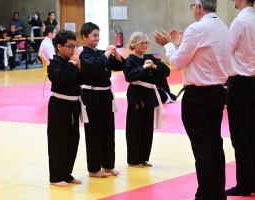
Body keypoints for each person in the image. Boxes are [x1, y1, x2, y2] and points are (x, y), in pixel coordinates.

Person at [153, 0, 232, 199]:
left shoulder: (195, 29)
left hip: (198, 95)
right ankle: (217, 192)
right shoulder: (224, 27)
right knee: (215, 143)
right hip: (218, 92)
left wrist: (169, 46)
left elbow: (178, 62)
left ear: (197, 7)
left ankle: (205, 194)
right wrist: (181, 45)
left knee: (202, 146)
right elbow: (204, 56)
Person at [79, 22, 125, 178]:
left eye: (98, 35)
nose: (97, 38)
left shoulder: (100, 52)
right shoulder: (84, 54)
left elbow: (119, 66)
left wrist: (115, 53)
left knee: (108, 132)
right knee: (94, 134)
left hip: (105, 96)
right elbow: (95, 67)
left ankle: (108, 165)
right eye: (94, 36)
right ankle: (93, 169)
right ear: (84, 37)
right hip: (92, 97)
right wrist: (106, 54)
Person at [124, 32, 170, 168]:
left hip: (149, 95)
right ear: (133, 44)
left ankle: (143, 158)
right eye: (142, 43)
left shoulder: (152, 57)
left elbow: (166, 71)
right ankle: (133, 160)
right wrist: (143, 67)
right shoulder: (130, 60)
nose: (145, 45)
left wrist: (154, 66)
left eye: (146, 43)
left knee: (147, 129)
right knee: (135, 128)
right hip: (136, 95)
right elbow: (129, 76)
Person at [225, 0, 255, 197]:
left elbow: (225, 50)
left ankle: (244, 184)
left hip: (240, 83)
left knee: (240, 136)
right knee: (252, 134)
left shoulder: (240, 22)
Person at [47, 29, 82, 187]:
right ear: (59, 46)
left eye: (74, 46)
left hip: (74, 105)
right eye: (70, 46)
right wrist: (72, 64)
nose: (73, 50)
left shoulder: (73, 62)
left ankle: (67, 173)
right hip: (59, 105)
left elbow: (83, 80)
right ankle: (56, 176)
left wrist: (79, 66)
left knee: (72, 141)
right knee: (58, 142)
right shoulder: (54, 64)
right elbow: (61, 79)